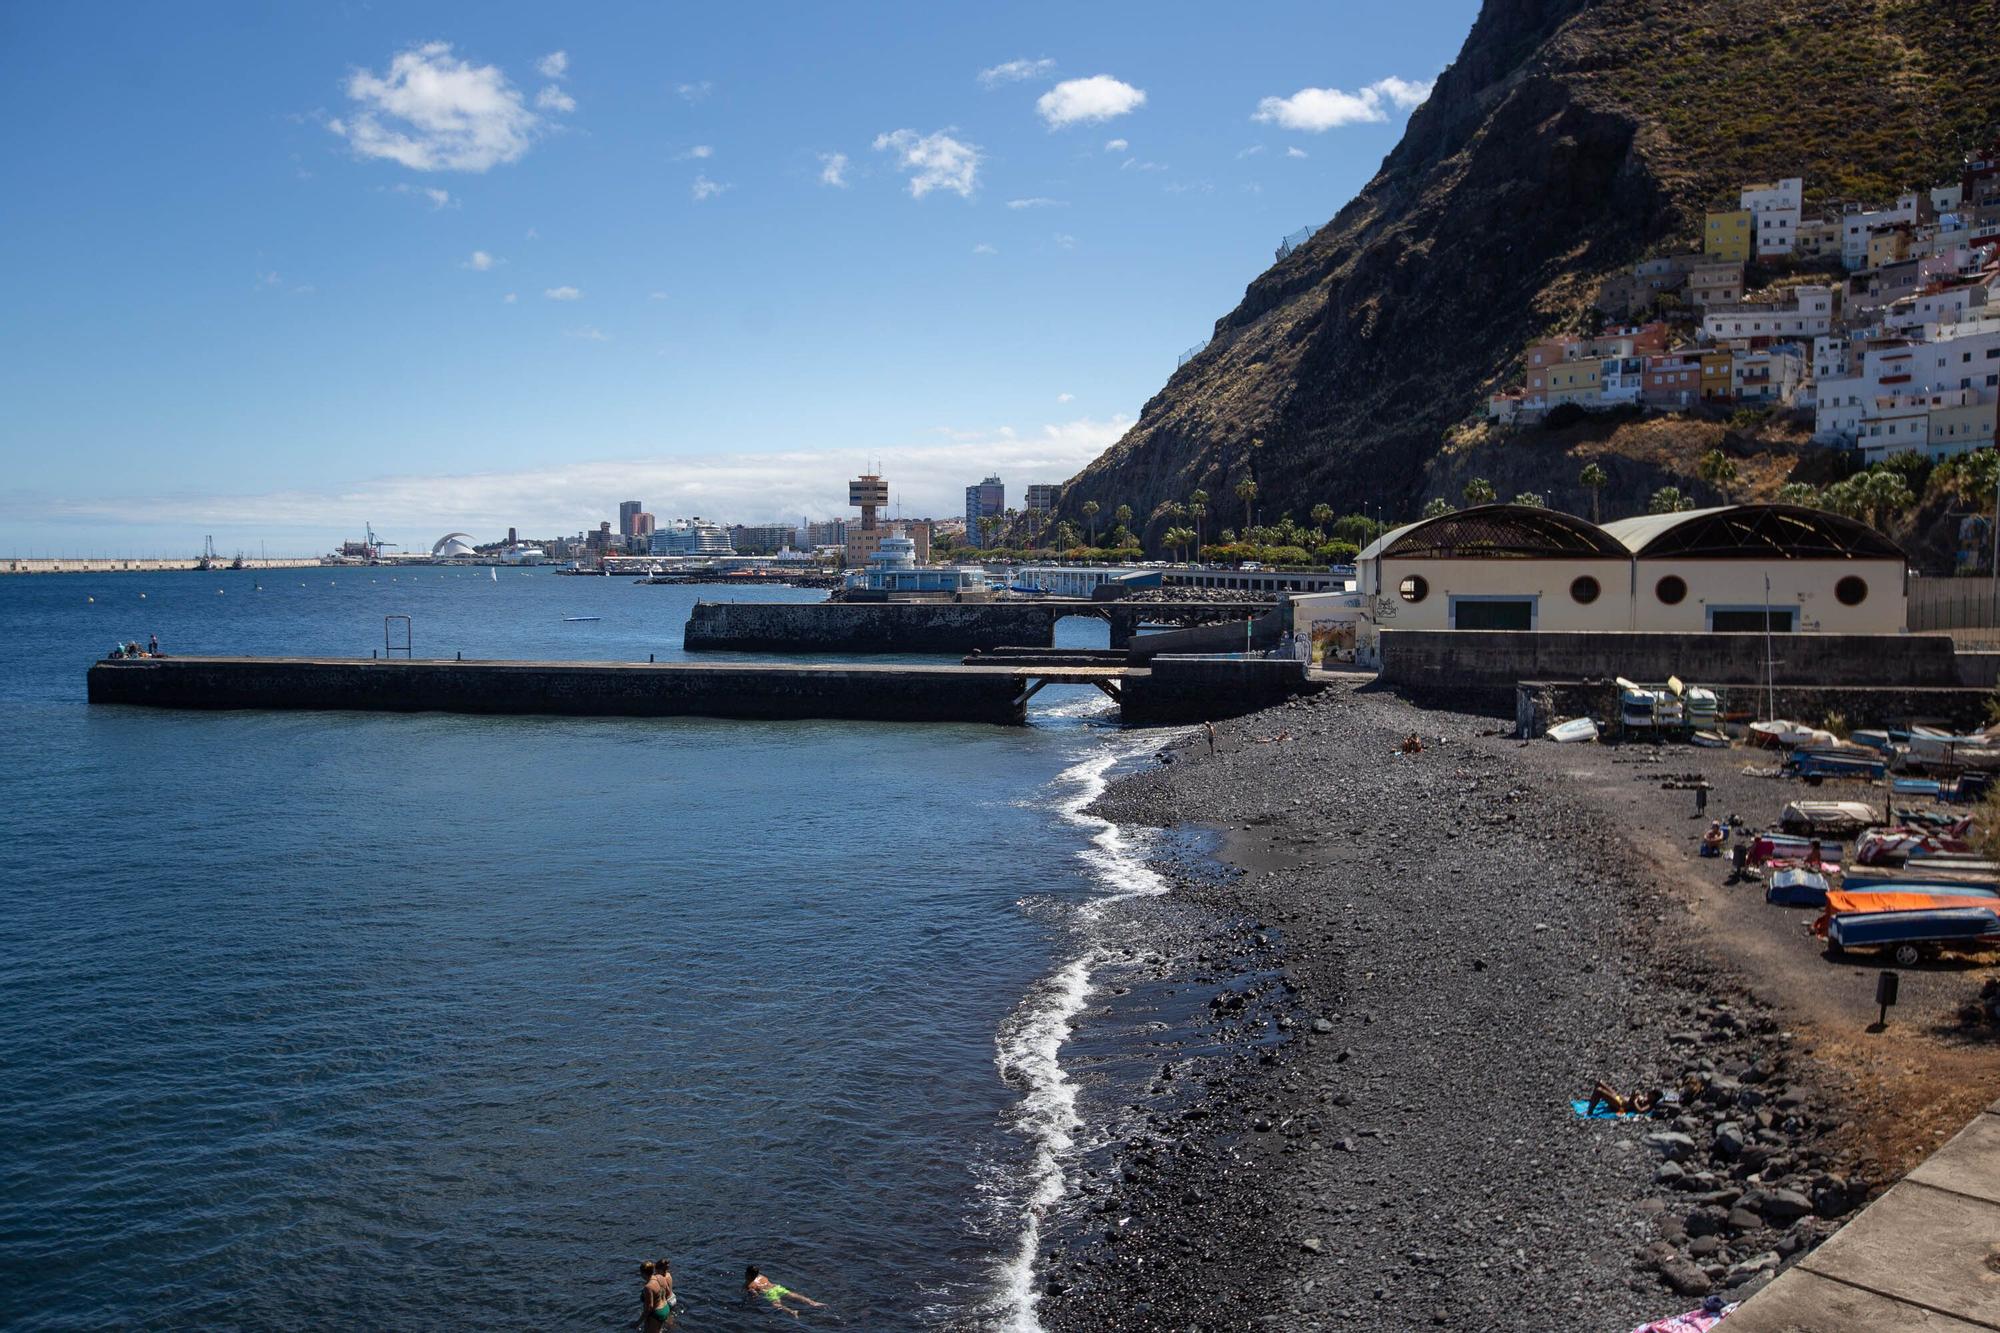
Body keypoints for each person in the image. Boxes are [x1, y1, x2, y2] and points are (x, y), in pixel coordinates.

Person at [745, 1265, 824, 1319]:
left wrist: (752, 1298)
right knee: (793, 1295)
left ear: (748, 1274)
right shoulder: (762, 1276)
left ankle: (792, 1311)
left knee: (777, 1305)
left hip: (769, 1292)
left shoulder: (749, 1284)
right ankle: (813, 1302)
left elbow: (755, 1295)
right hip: (776, 1287)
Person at [1586, 1081, 1660, 1116]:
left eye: (1651, 1093)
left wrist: (1635, 1101)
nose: (1649, 1093)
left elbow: (1640, 1111)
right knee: (1600, 1083)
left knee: (1599, 1090)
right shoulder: (1647, 1098)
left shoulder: (1650, 1104)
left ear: (1654, 1097)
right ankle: (1593, 1100)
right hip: (1620, 1098)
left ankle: (1590, 1111)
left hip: (1622, 1105)